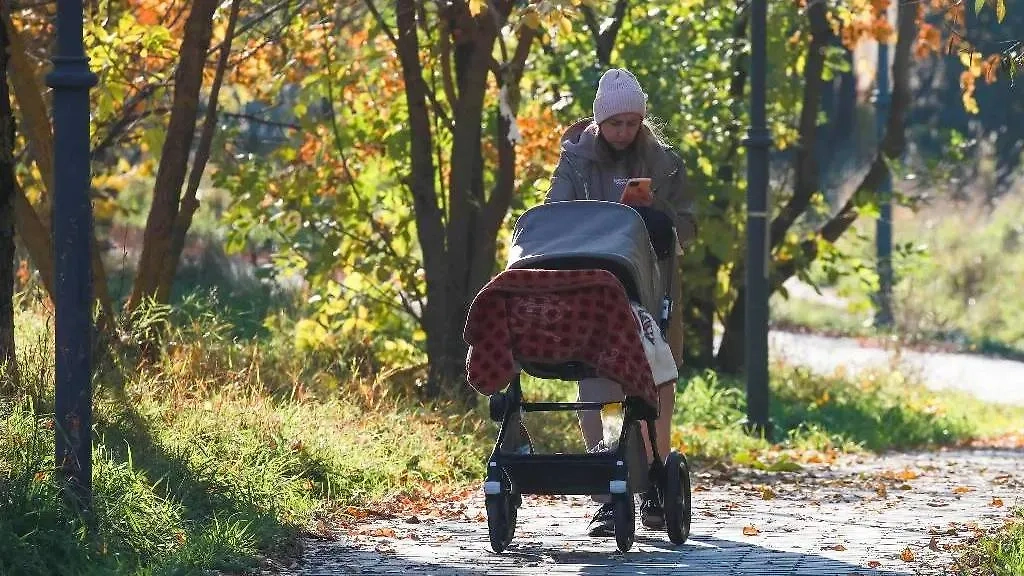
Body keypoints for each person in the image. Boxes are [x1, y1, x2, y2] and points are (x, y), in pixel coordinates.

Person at [544, 68, 697, 537]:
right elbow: (553, 217)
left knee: (653, 383)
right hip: (590, 291)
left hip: (648, 288)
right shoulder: (575, 162)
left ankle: (653, 474)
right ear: (600, 122)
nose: (624, 133)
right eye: (615, 125)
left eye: (632, 124)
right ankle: (603, 487)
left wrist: (656, 217)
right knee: (596, 383)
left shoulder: (664, 162)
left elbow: (688, 227)